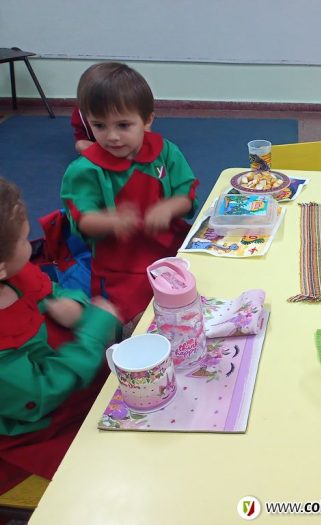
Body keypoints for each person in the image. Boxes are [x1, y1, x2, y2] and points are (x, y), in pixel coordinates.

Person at [0, 178, 121, 493]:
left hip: (75, 376)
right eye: (24, 239)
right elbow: (41, 394)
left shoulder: (14, 272)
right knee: (110, 472)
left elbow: (50, 288)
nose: (32, 245)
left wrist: (74, 305)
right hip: (41, 425)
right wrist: (93, 333)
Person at [61, 62, 200, 325]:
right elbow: (82, 220)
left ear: (147, 120)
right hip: (121, 266)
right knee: (146, 321)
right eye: (99, 126)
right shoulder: (84, 170)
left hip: (174, 250)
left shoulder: (165, 151)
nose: (112, 136)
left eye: (123, 125)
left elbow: (187, 195)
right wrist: (110, 221)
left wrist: (169, 207)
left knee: (203, 297)